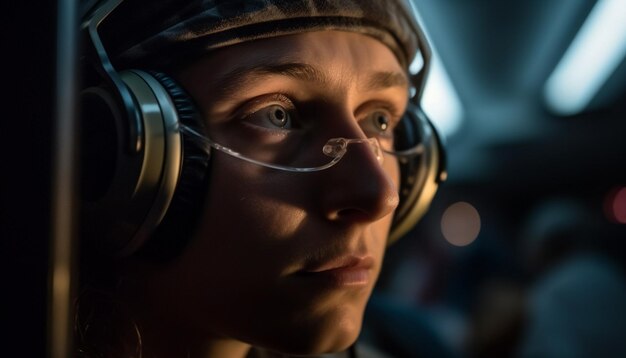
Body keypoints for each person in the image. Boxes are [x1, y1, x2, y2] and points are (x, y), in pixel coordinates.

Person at [76, 0, 446, 357]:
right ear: (111, 154)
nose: (380, 195)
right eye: (277, 115)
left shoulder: (411, 342)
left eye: (380, 119)